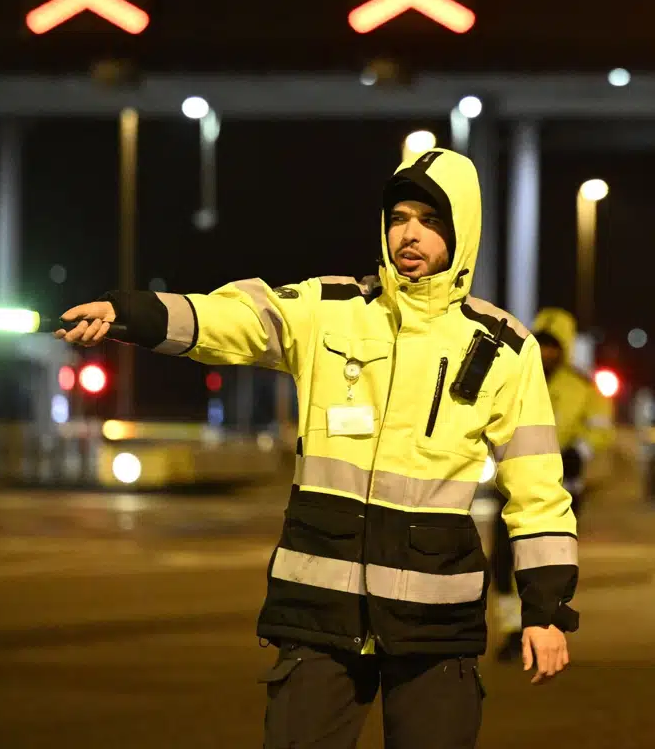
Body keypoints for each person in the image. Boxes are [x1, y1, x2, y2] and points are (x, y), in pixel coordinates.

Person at [56, 148, 578, 749]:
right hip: (320, 614)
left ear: (463, 231)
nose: (409, 233)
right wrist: (130, 313)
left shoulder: (504, 347)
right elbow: (228, 319)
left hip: (435, 624)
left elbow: (538, 493)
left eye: (431, 220)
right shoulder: (329, 310)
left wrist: (546, 610)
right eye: (399, 216)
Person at [491, 307, 612, 662]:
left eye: (553, 347)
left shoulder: (583, 388)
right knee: (502, 562)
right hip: (512, 485)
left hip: (562, 489)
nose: (546, 354)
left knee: (548, 562)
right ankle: (513, 629)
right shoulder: (515, 381)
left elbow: (602, 428)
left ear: (566, 349)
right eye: (541, 345)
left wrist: (580, 450)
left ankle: (544, 625)